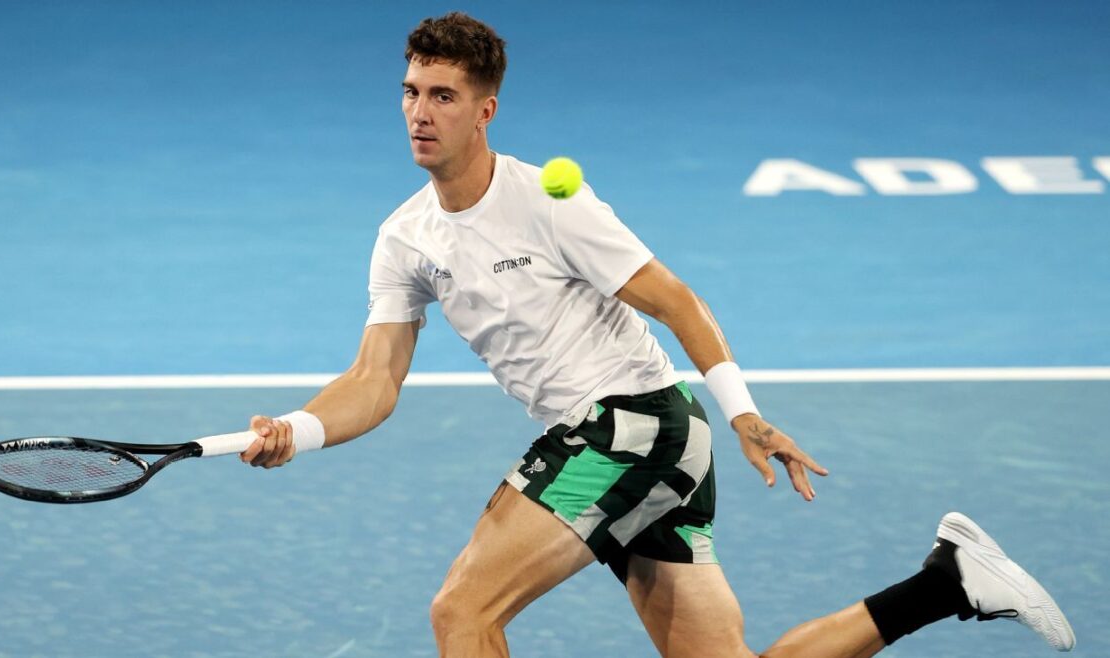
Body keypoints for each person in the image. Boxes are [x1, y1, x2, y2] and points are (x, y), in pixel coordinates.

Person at [237, 12, 1075, 658]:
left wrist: (744, 412)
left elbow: (678, 301)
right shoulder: (405, 237)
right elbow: (374, 382)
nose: (420, 113)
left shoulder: (551, 203)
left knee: (462, 612)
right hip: (641, 441)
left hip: (630, 425)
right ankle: (945, 582)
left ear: (485, 110)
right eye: (411, 92)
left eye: (443, 96)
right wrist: (297, 431)